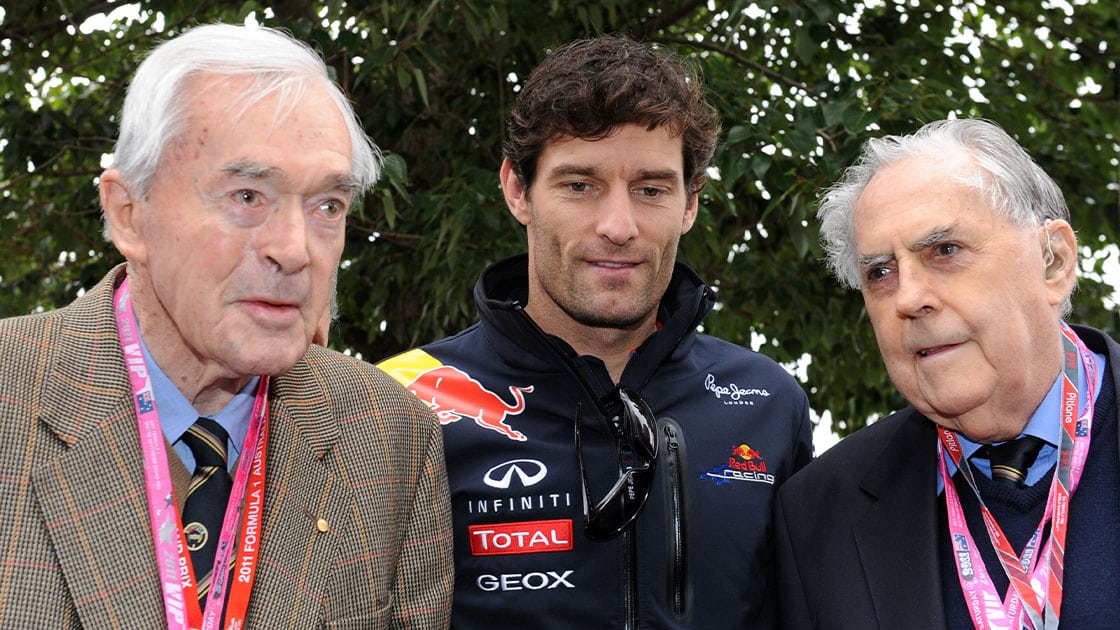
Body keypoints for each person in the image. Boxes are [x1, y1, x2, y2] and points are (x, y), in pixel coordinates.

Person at [0, 24, 453, 628]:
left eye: (327, 207)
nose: (294, 250)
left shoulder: (389, 434)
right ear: (129, 214)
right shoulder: (13, 396)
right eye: (246, 196)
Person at [378, 35, 812, 628]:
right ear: (516, 190)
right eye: (579, 185)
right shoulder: (400, 402)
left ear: (690, 204)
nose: (618, 226)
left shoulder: (768, 401)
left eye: (651, 189)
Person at [774, 118, 1120, 628]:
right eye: (880, 272)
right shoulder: (819, 510)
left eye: (945, 250)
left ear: (1053, 262)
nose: (909, 298)